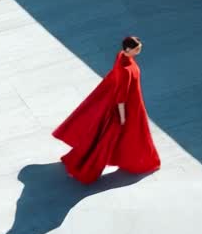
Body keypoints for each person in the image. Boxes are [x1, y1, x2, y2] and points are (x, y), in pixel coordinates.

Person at [53, 36, 161, 184]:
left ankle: (82, 161)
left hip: (131, 105)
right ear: (128, 49)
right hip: (127, 109)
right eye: (137, 49)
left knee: (114, 139)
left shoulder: (121, 56)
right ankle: (86, 169)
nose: (139, 51)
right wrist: (123, 117)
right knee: (111, 142)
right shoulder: (126, 70)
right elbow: (121, 98)